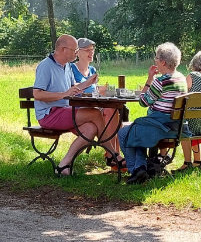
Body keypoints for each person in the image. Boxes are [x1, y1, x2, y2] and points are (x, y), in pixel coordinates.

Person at [33, 34, 110, 176]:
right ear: (63, 49)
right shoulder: (46, 66)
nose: (76, 53)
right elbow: (37, 94)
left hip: (65, 111)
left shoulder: (67, 66)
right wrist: (63, 94)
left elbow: (73, 87)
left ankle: (63, 165)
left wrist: (88, 83)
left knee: (90, 128)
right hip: (49, 114)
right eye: (74, 50)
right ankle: (112, 154)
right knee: (95, 113)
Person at [118, 42, 188, 184]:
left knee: (124, 133)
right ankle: (140, 168)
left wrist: (149, 79)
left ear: (162, 62)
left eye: (156, 58)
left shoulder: (161, 81)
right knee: (135, 131)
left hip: (160, 126)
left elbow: (143, 102)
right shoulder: (181, 78)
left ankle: (136, 170)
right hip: (176, 127)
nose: (155, 61)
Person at [70, 37, 122, 167]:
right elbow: (72, 89)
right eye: (87, 50)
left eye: (92, 50)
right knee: (110, 113)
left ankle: (113, 153)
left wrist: (102, 90)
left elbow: (94, 91)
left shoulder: (92, 70)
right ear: (77, 52)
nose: (91, 52)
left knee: (113, 110)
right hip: (79, 110)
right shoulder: (71, 69)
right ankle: (113, 155)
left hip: (95, 107)